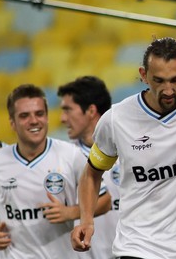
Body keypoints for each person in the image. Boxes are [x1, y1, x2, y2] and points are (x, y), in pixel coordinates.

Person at [71, 37, 176, 259]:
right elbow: (92, 173)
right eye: (159, 80)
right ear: (143, 75)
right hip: (139, 248)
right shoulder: (117, 120)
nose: (168, 90)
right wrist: (86, 220)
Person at [0, 84, 111, 259]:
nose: (34, 121)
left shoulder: (71, 155)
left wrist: (70, 212)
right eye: (24, 116)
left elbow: (105, 201)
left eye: (39, 114)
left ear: (47, 117)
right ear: (12, 123)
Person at [58, 76, 119, 259]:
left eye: (68, 110)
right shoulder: (64, 157)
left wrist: (71, 212)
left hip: (135, 251)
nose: (62, 118)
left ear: (91, 110)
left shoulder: (132, 146)